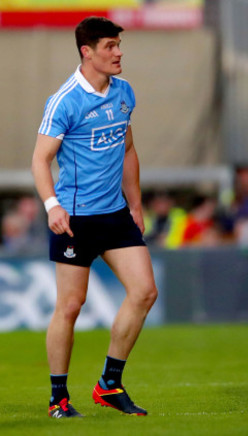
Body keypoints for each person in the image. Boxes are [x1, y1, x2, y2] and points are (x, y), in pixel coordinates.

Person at [31, 17, 158, 418]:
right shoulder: (65, 100)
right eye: (109, 46)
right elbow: (40, 159)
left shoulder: (124, 93)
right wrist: (52, 205)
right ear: (87, 52)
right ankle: (58, 398)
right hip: (76, 220)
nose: (118, 52)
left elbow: (128, 149)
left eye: (119, 44)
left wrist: (135, 203)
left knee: (144, 292)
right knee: (70, 306)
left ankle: (108, 384)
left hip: (115, 215)